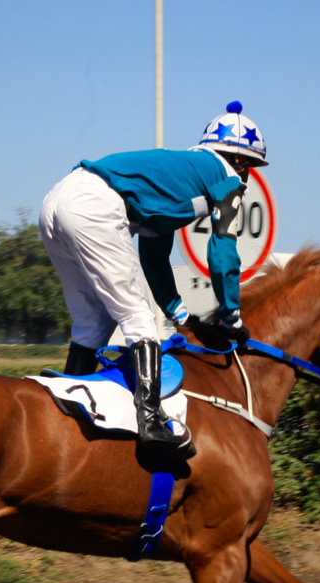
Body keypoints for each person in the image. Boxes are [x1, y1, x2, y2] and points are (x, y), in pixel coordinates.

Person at [38, 101, 267, 461]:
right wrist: (232, 318)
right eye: (251, 167)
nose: (249, 178)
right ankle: (151, 422)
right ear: (240, 160)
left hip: (56, 201)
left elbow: (154, 256)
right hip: (94, 205)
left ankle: (60, 406)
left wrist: (179, 315)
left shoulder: (182, 176)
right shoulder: (227, 177)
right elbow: (223, 253)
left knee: (93, 321)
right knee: (138, 317)